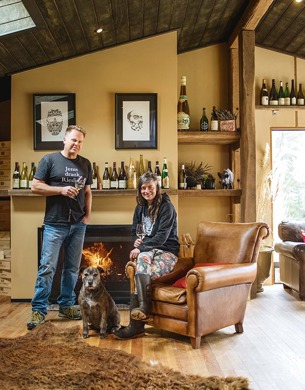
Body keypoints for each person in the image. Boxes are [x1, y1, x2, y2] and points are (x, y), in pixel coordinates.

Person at [27, 125, 92, 330]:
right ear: (64, 139)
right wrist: (60, 190)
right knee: (47, 268)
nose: (76, 144)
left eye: (80, 141)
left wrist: (87, 216)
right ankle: (39, 309)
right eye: (73, 140)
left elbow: (88, 192)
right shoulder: (50, 160)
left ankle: (66, 305)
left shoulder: (86, 164)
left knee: (72, 269)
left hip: (78, 225)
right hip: (55, 224)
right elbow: (35, 186)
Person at [114, 172, 180, 339]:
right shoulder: (140, 207)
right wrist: (136, 242)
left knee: (141, 266)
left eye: (150, 187)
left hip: (166, 251)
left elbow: (162, 236)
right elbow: (134, 230)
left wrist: (141, 246)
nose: (146, 191)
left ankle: (137, 324)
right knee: (142, 259)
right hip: (148, 251)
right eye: (143, 188)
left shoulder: (167, 207)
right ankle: (142, 311)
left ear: (157, 188)